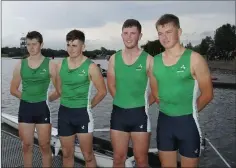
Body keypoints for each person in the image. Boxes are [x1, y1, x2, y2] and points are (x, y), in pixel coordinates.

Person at [150, 14, 214, 167]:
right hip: (164, 123)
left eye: (168, 32)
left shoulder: (195, 59)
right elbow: (156, 93)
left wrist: (189, 111)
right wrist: (169, 108)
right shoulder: (154, 61)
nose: (164, 37)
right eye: (160, 33)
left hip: (188, 124)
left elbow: (208, 94)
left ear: (179, 32)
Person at [107, 19, 156, 167]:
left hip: (140, 115)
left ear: (140, 36)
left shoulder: (149, 60)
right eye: (126, 33)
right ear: (121, 35)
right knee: (118, 158)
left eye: (133, 33)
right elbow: (111, 86)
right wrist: (124, 102)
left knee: (141, 160)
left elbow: (156, 91)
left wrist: (141, 104)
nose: (129, 37)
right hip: (119, 114)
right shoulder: (114, 59)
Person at [55, 29, 107, 167]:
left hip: (82, 115)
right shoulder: (60, 65)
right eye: (68, 45)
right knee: (66, 153)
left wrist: (89, 106)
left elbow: (102, 92)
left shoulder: (91, 67)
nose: (70, 49)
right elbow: (59, 89)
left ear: (83, 47)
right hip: (64, 114)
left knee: (88, 156)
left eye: (74, 45)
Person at [10, 31, 59, 167]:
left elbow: (59, 90)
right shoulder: (20, 65)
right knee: (26, 145)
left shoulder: (51, 65)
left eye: (34, 44)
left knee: (44, 146)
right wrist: (27, 98)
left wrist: (46, 99)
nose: (31, 47)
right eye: (28, 44)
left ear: (41, 44)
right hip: (25, 108)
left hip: (42, 108)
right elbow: (13, 90)